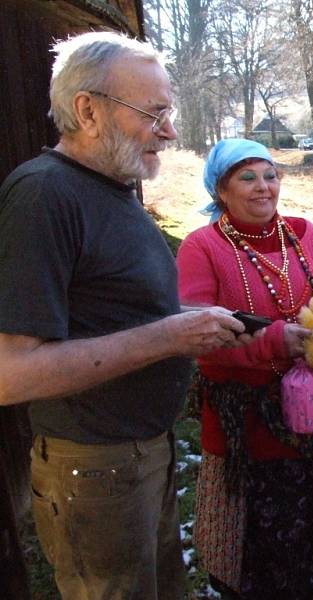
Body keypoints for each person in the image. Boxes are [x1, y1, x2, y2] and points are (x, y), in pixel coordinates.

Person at [0, 32, 249, 599]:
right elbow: (10, 373)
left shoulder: (111, 189)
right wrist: (169, 335)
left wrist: (199, 324)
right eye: (154, 112)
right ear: (88, 111)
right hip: (94, 468)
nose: (170, 131)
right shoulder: (43, 196)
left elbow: (114, 314)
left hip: (139, 455)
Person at [176, 138, 313, 599]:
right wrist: (273, 341)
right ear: (221, 190)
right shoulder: (203, 247)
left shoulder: (306, 234)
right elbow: (195, 336)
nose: (263, 187)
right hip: (244, 425)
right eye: (247, 177)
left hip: (311, 413)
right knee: (252, 559)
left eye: (270, 175)